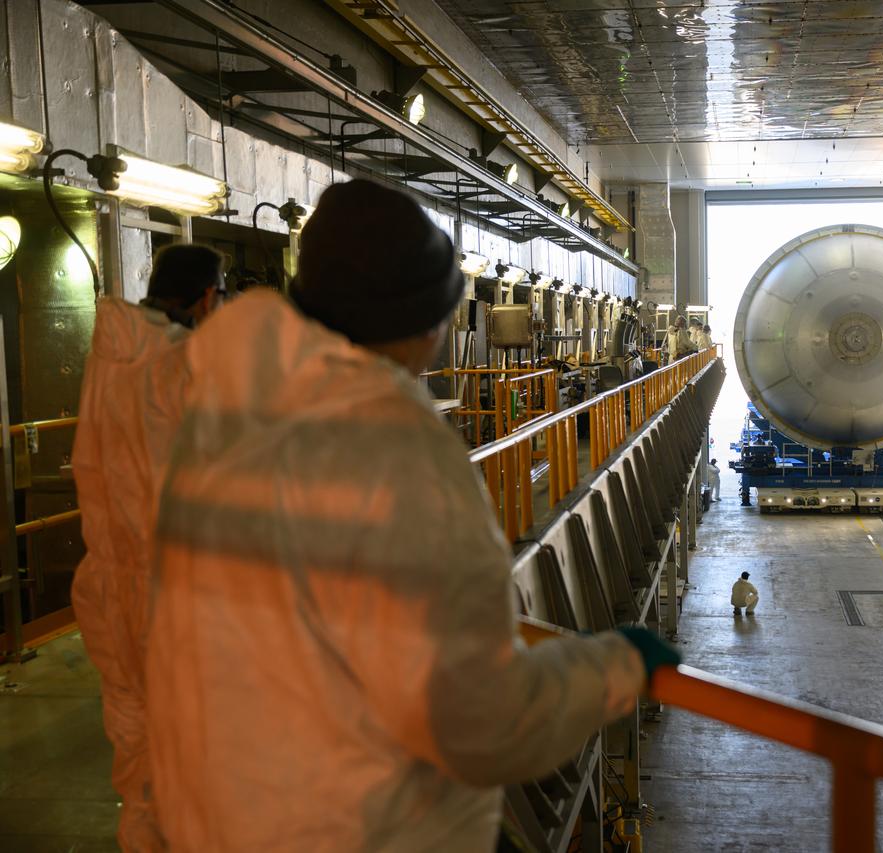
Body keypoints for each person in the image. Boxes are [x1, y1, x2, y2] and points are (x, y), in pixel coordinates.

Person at [143, 179, 675, 851]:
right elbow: (477, 717)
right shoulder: (398, 455)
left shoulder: (221, 418)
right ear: (421, 322)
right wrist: (615, 669)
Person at [70, 243, 225, 852]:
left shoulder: (107, 361)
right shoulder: (192, 368)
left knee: (141, 759)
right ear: (209, 298)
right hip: (184, 599)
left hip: (108, 589)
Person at [138, 243, 227, 327]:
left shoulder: (128, 324)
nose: (223, 306)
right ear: (209, 298)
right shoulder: (189, 341)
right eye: (223, 296)